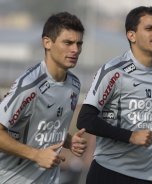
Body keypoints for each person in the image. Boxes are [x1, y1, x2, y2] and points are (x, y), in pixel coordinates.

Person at [77, 6, 152, 184]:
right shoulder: (113, 71)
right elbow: (85, 119)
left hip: (149, 175)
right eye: (149, 29)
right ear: (131, 35)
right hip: (110, 172)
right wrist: (130, 136)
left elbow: (137, 116)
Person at [0, 12, 87, 184]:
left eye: (79, 43)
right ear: (47, 42)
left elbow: (44, 128)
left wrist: (68, 141)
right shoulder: (30, 86)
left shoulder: (75, 85)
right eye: (68, 43)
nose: (75, 50)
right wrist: (36, 155)